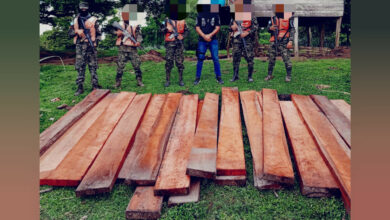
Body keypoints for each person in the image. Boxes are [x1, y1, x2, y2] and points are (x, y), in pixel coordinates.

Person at [69, 2, 102, 96]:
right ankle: (80, 87)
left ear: (88, 8)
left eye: (85, 8)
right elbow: (69, 33)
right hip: (80, 47)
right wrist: (76, 31)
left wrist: (96, 42)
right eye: (82, 8)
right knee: (80, 66)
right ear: (79, 8)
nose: (83, 10)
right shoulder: (75, 20)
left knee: (93, 66)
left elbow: (99, 34)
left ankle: (95, 86)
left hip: (91, 46)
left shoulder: (94, 20)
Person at [114, 4, 144, 88]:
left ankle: (139, 81)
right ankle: (117, 82)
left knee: (137, 65)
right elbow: (112, 32)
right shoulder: (119, 24)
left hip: (132, 48)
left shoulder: (135, 25)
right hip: (122, 48)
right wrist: (118, 33)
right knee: (120, 66)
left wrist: (138, 42)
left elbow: (139, 35)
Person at [194, 3, 224, 85]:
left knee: (215, 58)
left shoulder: (216, 14)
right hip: (202, 40)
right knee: (200, 59)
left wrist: (209, 35)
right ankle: (197, 78)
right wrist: (204, 36)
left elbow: (218, 27)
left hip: (213, 40)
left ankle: (219, 77)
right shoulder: (199, 14)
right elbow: (197, 27)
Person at [265, 8, 295, 82]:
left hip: (284, 41)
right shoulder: (272, 18)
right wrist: (270, 28)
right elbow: (267, 28)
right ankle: (269, 75)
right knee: (271, 59)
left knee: (286, 59)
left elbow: (292, 29)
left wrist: (290, 41)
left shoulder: (289, 17)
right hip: (273, 41)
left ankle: (288, 76)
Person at [161, 5, 189, 87]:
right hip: (170, 43)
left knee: (179, 62)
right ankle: (167, 80)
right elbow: (161, 30)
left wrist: (183, 36)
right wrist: (166, 29)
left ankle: (180, 80)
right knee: (169, 61)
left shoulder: (183, 20)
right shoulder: (166, 20)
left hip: (179, 44)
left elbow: (187, 31)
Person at [230, 7, 259, 82]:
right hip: (237, 39)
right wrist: (232, 27)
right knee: (236, 57)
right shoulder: (235, 14)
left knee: (249, 57)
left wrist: (247, 33)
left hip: (248, 40)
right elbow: (230, 26)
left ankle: (250, 76)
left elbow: (256, 26)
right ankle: (235, 76)